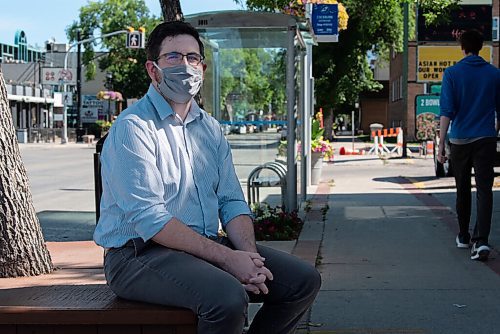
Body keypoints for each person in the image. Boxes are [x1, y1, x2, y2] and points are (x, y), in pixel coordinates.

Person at [93, 20, 321, 333]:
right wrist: (228, 260)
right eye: (173, 57)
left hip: (200, 246)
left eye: (192, 58)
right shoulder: (134, 128)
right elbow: (151, 219)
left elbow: (231, 200)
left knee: (302, 281)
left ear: (203, 67)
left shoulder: (210, 129)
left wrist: (248, 258)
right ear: (152, 69)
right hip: (138, 254)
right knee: (226, 297)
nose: (185, 65)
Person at [438, 29, 500, 261]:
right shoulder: (495, 74)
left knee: (462, 188)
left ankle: (464, 236)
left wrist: (441, 143)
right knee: (485, 190)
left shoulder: (452, 73)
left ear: (462, 48)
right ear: (481, 47)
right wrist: (493, 133)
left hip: (460, 139)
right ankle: (481, 241)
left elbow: (446, 111)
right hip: (485, 138)